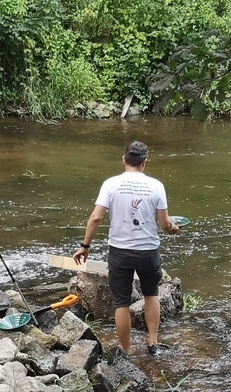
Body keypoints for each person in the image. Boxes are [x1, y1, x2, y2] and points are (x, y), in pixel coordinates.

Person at [73, 140, 179, 356]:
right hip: (148, 252)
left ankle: (127, 351)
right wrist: (173, 229)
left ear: (124, 160)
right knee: (151, 294)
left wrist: (85, 246)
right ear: (144, 163)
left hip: (120, 252)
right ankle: (152, 343)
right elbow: (165, 224)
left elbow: (96, 217)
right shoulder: (156, 186)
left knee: (121, 302)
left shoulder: (111, 184)